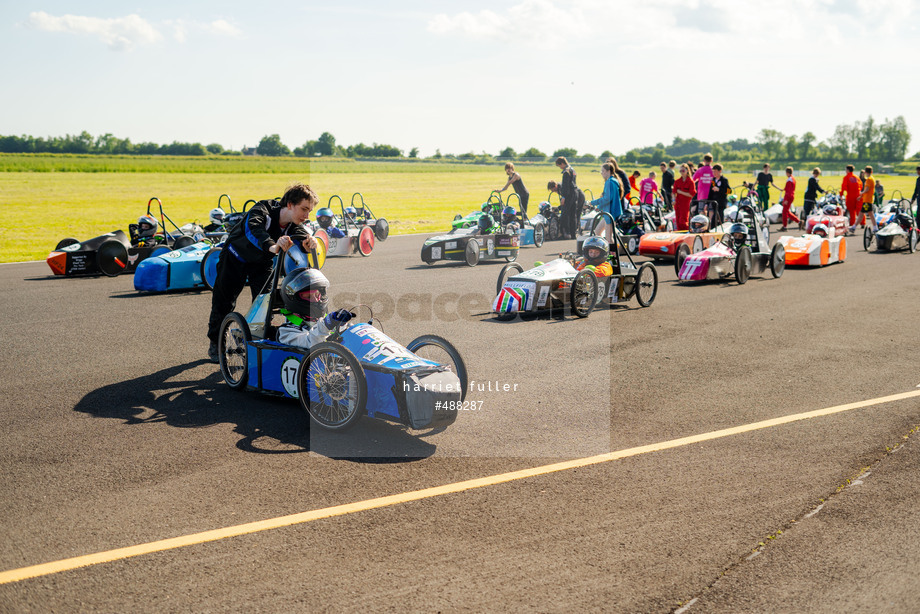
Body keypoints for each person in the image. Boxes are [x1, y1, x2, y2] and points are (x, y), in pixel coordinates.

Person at [206, 182, 319, 363]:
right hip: (235, 257)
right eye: (304, 209)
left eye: (310, 212)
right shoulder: (262, 209)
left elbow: (301, 239)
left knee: (265, 303)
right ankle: (216, 343)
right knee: (224, 302)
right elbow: (253, 230)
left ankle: (251, 339)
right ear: (290, 204)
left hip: (261, 263)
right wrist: (272, 246)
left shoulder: (294, 224)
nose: (307, 216)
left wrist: (308, 244)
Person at [276, 267, 354, 348]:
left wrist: (344, 327)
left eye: (317, 295)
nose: (316, 300)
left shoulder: (321, 321)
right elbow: (312, 343)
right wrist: (326, 324)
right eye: (309, 296)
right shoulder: (286, 332)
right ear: (294, 299)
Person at [587, 162, 623, 244]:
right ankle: (603, 250)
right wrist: (599, 207)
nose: (601, 173)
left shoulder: (609, 182)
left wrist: (593, 202)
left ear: (608, 171)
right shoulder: (613, 181)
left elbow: (607, 198)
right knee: (597, 231)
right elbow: (609, 198)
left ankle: (612, 255)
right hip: (608, 212)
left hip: (610, 213)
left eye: (602, 171)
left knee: (609, 238)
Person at [555, 156, 579, 239]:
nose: (560, 168)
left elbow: (565, 186)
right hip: (575, 192)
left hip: (569, 194)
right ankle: (573, 233)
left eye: (559, 166)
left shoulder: (566, 172)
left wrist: (563, 197)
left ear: (562, 163)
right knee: (573, 214)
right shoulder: (572, 169)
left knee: (565, 214)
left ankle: (565, 233)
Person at [854, 166, 878, 234]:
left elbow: (867, 189)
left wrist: (861, 193)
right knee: (869, 213)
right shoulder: (871, 179)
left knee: (862, 213)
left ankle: (854, 226)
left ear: (865, 172)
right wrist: (861, 196)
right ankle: (875, 227)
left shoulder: (869, 180)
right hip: (868, 199)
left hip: (867, 200)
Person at [672, 164, 696, 231]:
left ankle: (686, 232)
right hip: (678, 204)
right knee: (678, 221)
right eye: (680, 171)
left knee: (683, 221)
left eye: (683, 170)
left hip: (685, 204)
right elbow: (673, 192)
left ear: (687, 171)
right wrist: (673, 199)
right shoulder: (677, 181)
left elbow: (692, 194)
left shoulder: (691, 182)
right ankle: (680, 233)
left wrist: (681, 192)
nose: (682, 172)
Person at [840, 164, 862, 231]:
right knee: (859, 210)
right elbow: (861, 185)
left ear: (848, 170)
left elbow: (843, 187)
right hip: (858, 195)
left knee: (852, 210)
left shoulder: (846, 178)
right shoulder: (856, 177)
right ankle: (862, 222)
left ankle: (852, 224)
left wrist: (841, 194)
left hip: (850, 195)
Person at [779, 166, 800, 231]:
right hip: (791, 196)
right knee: (787, 211)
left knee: (784, 212)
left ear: (787, 172)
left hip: (788, 196)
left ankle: (785, 226)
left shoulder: (789, 180)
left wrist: (786, 200)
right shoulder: (792, 178)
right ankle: (799, 221)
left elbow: (788, 190)